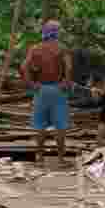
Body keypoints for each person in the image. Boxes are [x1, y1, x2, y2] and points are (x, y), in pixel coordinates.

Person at [21, 20, 73, 164]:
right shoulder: (62, 48)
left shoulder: (35, 48)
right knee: (60, 126)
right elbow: (68, 67)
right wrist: (66, 82)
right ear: (56, 33)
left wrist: (31, 84)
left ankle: (39, 157)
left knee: (40, 125)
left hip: (41, 89)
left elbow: (23, 66)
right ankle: (61, 159)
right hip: (57, 89)